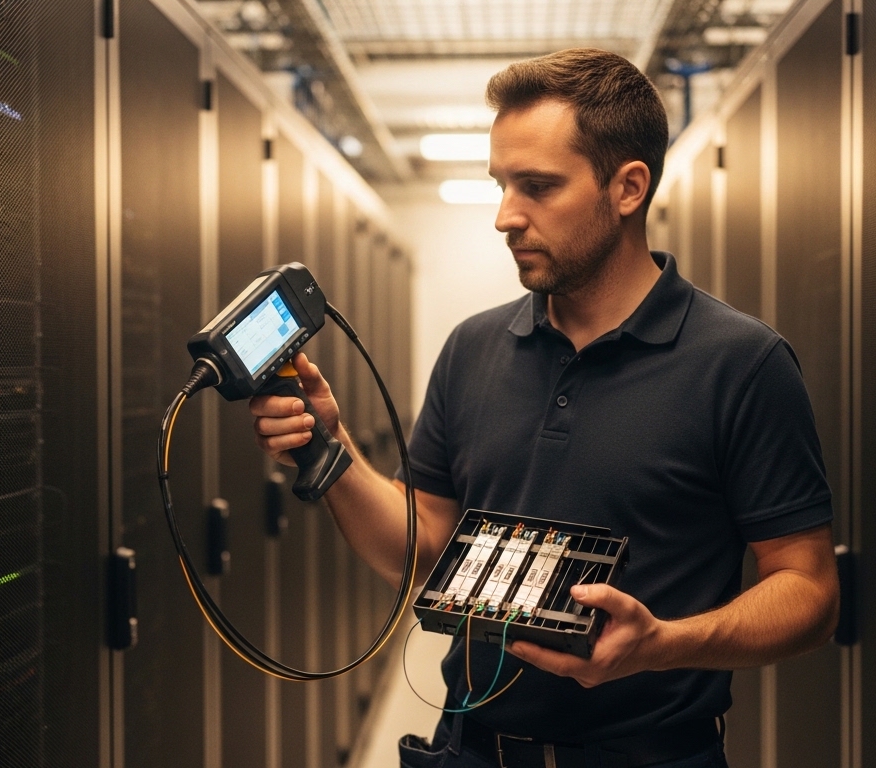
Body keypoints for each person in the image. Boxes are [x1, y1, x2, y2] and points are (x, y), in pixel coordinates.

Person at [252, 48, 839, 768]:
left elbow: (809, 589)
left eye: (537, 187)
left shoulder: (741, 363)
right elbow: (423, 548)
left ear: (627, 188)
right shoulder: (472, 349)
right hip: (471, 751)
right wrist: (329, 447)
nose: (505, 216)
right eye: (501, 185)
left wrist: (664, 644)